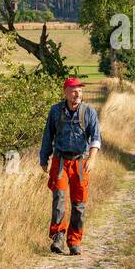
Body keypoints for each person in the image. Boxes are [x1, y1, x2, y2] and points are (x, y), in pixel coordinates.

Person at [39, 77, 101, 255]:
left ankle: (74, 241)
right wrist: (44, 158)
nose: (77, 95)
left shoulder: (88, 112)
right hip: (59, 162)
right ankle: (58, 237)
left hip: (80, 163)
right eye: (74, 91)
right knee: (58, 197)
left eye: (80, 91)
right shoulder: (55, 111)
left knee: (79, 203)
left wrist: (92, 159)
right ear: (65, 92)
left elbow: (96, 137)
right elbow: (47, 136)